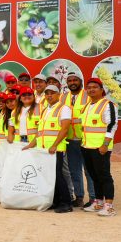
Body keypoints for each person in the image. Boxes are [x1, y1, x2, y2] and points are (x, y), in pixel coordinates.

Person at [22, 85, 73, 213]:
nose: (49, 96)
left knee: (58, 175)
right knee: (49, 176)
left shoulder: (64, 108)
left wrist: (55, 145)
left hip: (55, 149)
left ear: (58, 94)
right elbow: (40, 131)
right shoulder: (45, 110)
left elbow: (65, 128)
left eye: (52, 93)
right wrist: (31, 145)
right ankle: (55, 201)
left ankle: (66, 202)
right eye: (47, 93)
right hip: (43, 149)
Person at [79, 78, 117, 216]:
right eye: (88, 87)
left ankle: (109, 206)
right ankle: (98, 203)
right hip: (86, 146)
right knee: (94, 175)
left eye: (94, 87)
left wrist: (105, 144)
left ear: (101, 90)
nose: (91, 89)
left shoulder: (107, 105)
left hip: (100, 148)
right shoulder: (87, 106)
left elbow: (112, 125)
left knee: (104, 176)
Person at [61, 71, 95, 208]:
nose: (72, 83)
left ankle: (93, 198)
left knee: (89, 170)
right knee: (74, 170)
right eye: (70, 81)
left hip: (85, 139)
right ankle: (79, 197)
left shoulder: (89, 95)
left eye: (75, 80)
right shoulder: (63, 98)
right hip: (70, 139)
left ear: (80, 81)